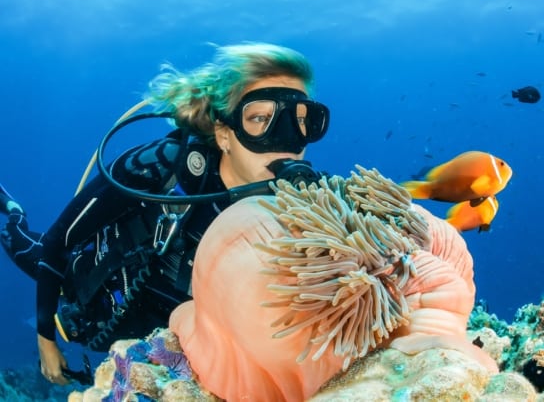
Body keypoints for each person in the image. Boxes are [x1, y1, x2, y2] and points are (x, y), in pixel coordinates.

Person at [0, 42, 330, 385]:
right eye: (261, 119)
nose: (288, 141)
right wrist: (45, 341)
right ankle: (11, 210)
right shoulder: (156, 170)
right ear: (223, 133)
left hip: (169, 336)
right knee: (23, 244)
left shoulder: (302, 206)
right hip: (87, 286)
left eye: (303, 122)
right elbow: (57, 241)